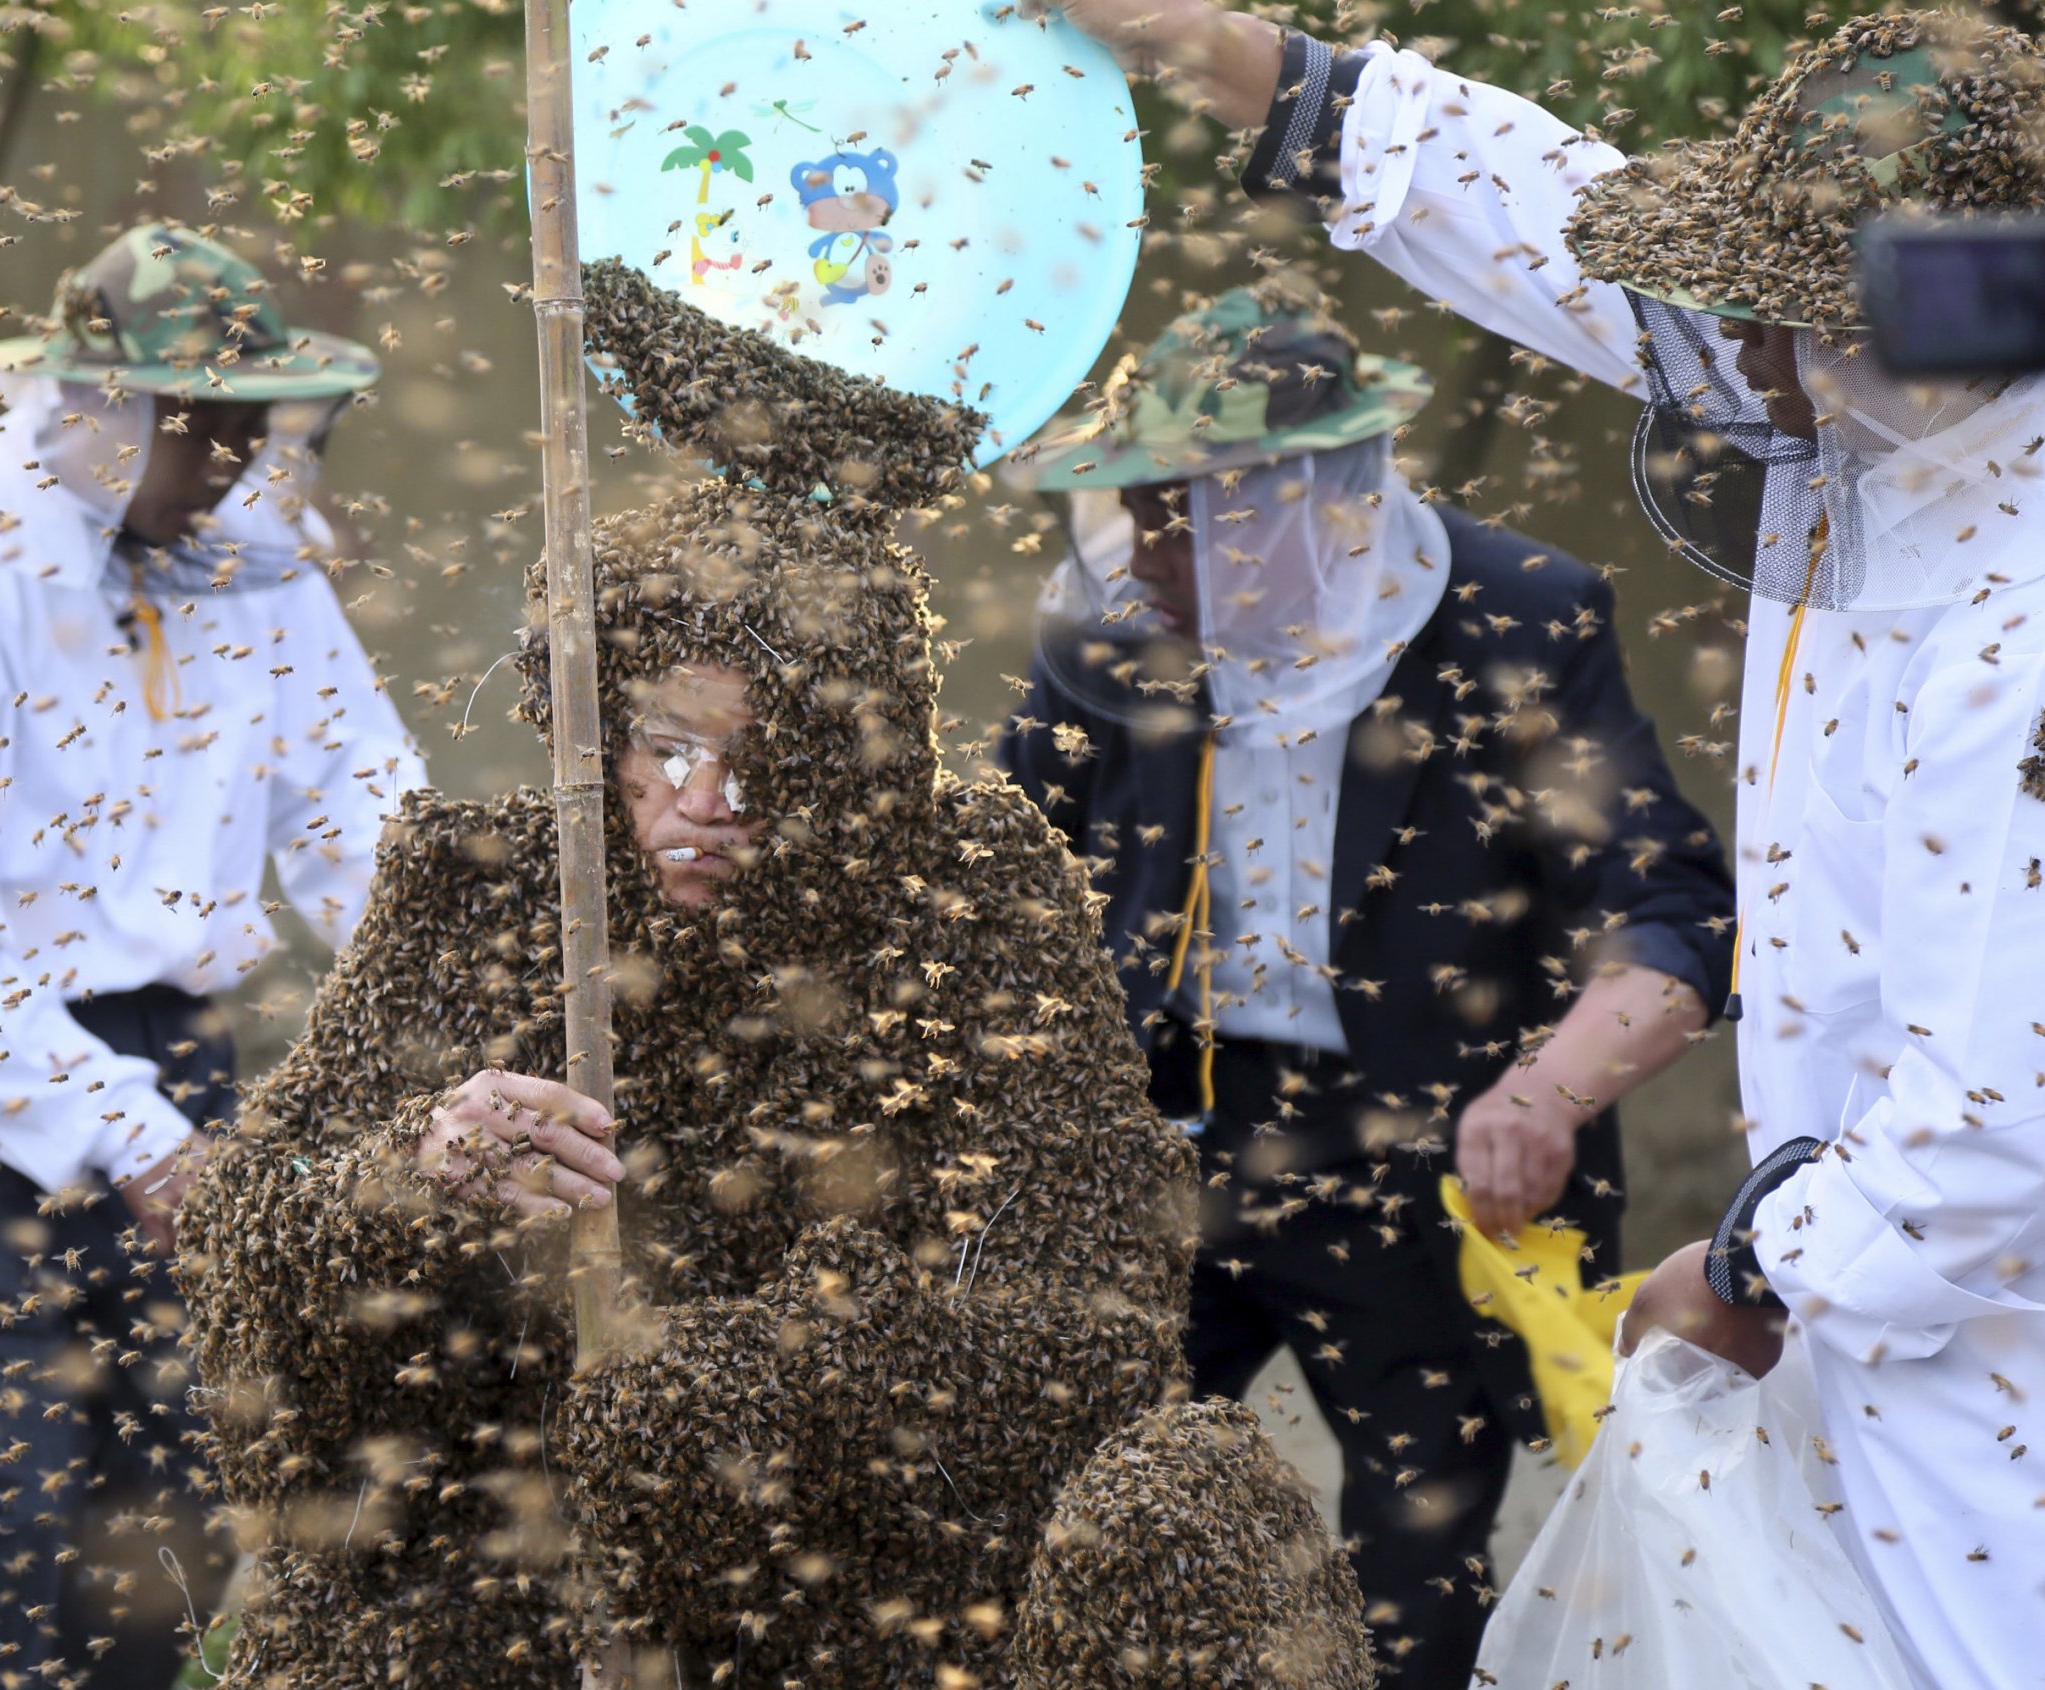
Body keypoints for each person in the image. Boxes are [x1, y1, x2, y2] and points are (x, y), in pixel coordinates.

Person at [175, 260, 1376, 1690]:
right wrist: (410, 1180)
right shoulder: (478, 889)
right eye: (666, 746)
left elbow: (1082, 1326)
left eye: (771, 758)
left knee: (1196, 1502)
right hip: (508, 1586)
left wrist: (731, 1399)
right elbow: (255, 1241)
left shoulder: (972, 895)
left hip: (862, 1597)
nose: (707, 800)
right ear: (596, 723)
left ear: (859, 754)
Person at [1029, 4, 2045, 1686]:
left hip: (1982, 1404)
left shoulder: (2015, 630)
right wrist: (1199, 39)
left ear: (1932, 317)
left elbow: (1998, 1133)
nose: (1745, 363)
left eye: (1788, 318)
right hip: (1288, 1194)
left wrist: (1741, 1258)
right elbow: (1540, 211)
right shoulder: (1880, 395)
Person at [994, 283, 1734, 1685]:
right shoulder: (1115, 624)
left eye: (1177, 511)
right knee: (1048, 1535)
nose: (1144, 550)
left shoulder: (1524, 620)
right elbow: (995, 859)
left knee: (1412, 1596)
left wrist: (1548, 1089)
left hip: (1420, 1158)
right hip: (1154, 1142)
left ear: (1305, 506)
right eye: (1134, 506)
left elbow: (1672, 908)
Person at [0, 222, 424, 1689]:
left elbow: (364, 813)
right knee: (5, 1485)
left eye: (253, 421)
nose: (237, 455)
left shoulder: (265, 576)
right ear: (102, 410)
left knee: (175, 1482)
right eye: (205, 423)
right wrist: (141, 1143)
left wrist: (447, 1006)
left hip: (178, 1042)